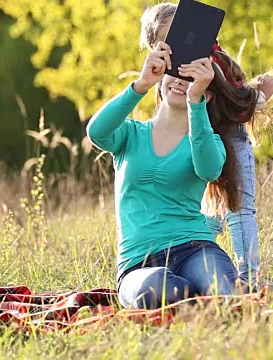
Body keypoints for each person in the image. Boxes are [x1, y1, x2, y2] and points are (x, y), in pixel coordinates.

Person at [86, 40, 259, 309]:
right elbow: (96, 132)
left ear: (207, 95)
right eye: (175, 73)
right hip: (138, 264)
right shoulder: (130, 134)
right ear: (161, 79)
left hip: (196, 249)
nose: (180, 81)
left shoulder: (208, 141)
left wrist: (195, 102)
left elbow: (209, 169)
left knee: (228, 295)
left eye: (190, 79)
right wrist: (140, 84)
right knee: (165, 293)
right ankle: (195, 298)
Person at [140, 3, 273, 289]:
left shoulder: (212, 59)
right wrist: (261, 96)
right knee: (236, 209)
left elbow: (230, 97)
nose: (185, 42)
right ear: (158, 43)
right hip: (212, 141)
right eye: (172, 38)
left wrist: (253, 92)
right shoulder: (172, 69)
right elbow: (233, 104)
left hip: (222, 138)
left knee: (218, 213)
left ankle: (196, 259)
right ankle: (248, 279)